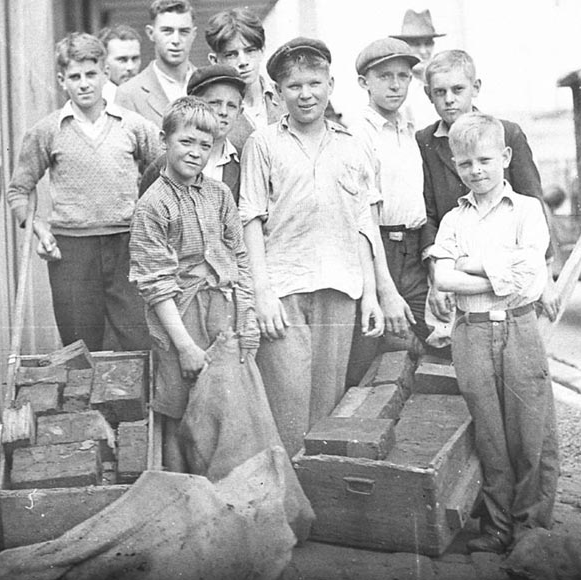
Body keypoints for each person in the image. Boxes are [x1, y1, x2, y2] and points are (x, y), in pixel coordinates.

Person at [239, 37, 408, 456]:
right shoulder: (262, 144)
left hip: (340, 289)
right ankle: (287, 507)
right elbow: (251, 221)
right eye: (293, 86)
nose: (305, 94)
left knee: (328, 406)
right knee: (287, 406)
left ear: (331, 84)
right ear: (277, 93)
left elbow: (363, 225)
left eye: (314, 83)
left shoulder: (351, 144)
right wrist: (261, 293)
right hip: (284, 290)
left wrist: (370, 294)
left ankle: (319, 505)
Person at [428, 112, 558, 554]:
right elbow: (444, 278)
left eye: (485, 159)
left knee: (530, 431)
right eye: (465, 164)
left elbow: (533, 278)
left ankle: (530, 530)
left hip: (519, 327)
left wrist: (472, 264)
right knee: (489, 433)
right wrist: (503, 273)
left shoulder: (527, 210)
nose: (476, 171)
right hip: (472, 332)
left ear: (504, 156)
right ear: (455, 163)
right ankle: (498, 526)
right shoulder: (453, 220)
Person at [6, 32, 161, 351]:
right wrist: (38, 229)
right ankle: (84, 402)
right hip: (71, 251)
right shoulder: (47, 131)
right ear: (62, 80)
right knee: (80, 344)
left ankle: (138, 403)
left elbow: (163, 171)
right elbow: (19, 191)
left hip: (126, 246)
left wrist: (151, 222)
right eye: (74, 77)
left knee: (137, 338)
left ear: (105, 74)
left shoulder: (132, 125)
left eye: (91, 74)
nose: (84, 83)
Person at [129, 96, 259, 471]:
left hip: (222, 316)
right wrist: (184, 346)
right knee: (179, 415)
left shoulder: (219, 195)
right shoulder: (153, 205)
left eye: (206, 145)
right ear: (164, 140)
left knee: (225, 409)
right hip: (178, 322)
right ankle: (183, 499)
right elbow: (155, 284)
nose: (196, 153)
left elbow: (240, 257)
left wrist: (246, 316)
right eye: (186, 142)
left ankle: (225, 497)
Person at [417, 49, 559, 348]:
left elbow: (533, 199)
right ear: (429, 94)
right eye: (440, 92)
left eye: (458, 89)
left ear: (476, 88)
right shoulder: (425, 142)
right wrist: (436, 279)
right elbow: (428, 211)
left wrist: (544, 278)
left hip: (509, 264)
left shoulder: (507, 133)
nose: (449, 99)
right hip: (459, 266)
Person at [346, 37, 427, 385]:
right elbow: (365, 217)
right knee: (373, 354)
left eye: (403, 76)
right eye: (384, 76)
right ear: (364, 82)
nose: (395, 85)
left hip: (414, 250)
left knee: (434, 343)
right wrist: (384, 288)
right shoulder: (357, 132)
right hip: (379, 249)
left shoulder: (408, 127)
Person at [139, 65, 245, 202]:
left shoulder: (244, 161)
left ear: (239, 112)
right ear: (195, 105)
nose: (223, 112)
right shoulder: (162, 167)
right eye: (214, 103)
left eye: (231, 106)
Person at [205, 7, 284, 154]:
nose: (243, 61)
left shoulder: (286, 98)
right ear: (215, 60)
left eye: (250, 51)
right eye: (231, 55)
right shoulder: (210, 113)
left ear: (262, 51)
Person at [116, 0, 197, 126]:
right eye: (167, 31)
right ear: (151, 33)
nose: (176, 40)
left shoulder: (208, 86)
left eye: (184, 32)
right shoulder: (129, 93)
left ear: (193, 34)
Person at [391, 8, 445, 129]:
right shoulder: (396, 87)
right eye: (415, 44)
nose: (423, 51)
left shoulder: (444, 82)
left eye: (428, 43)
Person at [97, 24, 142, 105]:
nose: (130, 67)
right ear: (103, 62)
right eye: (122, 60)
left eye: (135, 59)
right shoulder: (97, 102)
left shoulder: (147, 96)